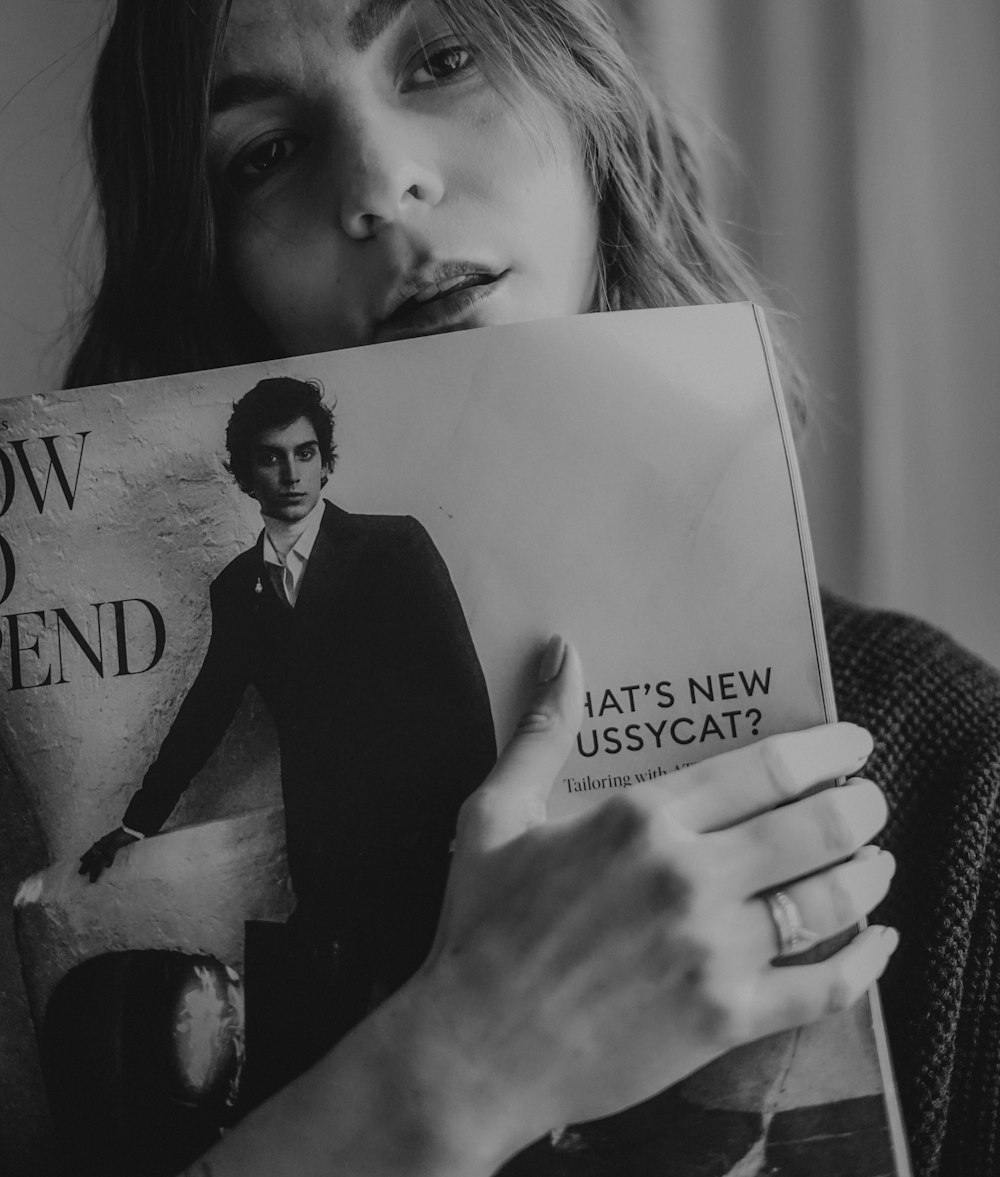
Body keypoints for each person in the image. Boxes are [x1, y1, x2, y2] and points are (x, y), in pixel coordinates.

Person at [58, 1, 1000, 1174]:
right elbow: (205, 704)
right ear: (208, 270)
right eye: (264, 153)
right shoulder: (162, 666)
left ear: (591, 105)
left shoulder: (952, 755)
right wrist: (464, 1062)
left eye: (443, 58)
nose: (382, 182)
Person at [80, 374, 496, 1070]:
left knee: (456, 1033)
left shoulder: (393, 548)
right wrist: (136, 821)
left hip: (424, 838)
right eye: (272, 457)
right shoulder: (236, 589)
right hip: (325, 850)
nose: (292, 472)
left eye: (305, 453)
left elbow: (460, 690)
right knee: (336, 1054)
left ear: (326, 462)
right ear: (245, 475)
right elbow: (207, 709)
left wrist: (474, 820)